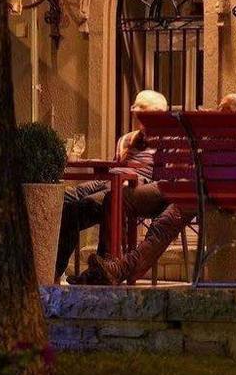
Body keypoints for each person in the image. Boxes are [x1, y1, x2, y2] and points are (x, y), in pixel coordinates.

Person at [74, 93, 236, 285]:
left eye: (224, 110)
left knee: (165, 221)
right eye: (219, 107)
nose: (217, 112)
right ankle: (104, 268)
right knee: (117, 197)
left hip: (199, 192)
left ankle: (119, 270)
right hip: (174, 185)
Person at [56, 90, 171, 282]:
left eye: (145, 117)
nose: (140, 122)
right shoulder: (127, 139)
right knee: (68, 200)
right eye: (137, 116)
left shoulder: (168, 140)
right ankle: (53, 270)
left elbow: (163, 178)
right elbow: (116, 164)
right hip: (113, 178)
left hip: (138, 183)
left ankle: (99, 271)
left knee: (94, 201)